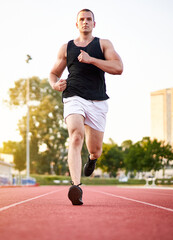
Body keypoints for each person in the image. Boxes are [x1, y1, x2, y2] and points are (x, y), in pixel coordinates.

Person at [49, 9, 123, 205]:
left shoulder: (103, 44)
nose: (85, 22)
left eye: (89, 19)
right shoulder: (67, 47)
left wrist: (92, 60)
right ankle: (76, 186)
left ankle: (92, 159)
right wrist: (54, 84)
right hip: (74, 96)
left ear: (94, 24)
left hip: (97, 100)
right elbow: (53, 73)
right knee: (76, 136)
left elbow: (118, 68)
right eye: (81, 19)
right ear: (76, 24)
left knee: (95, 149)